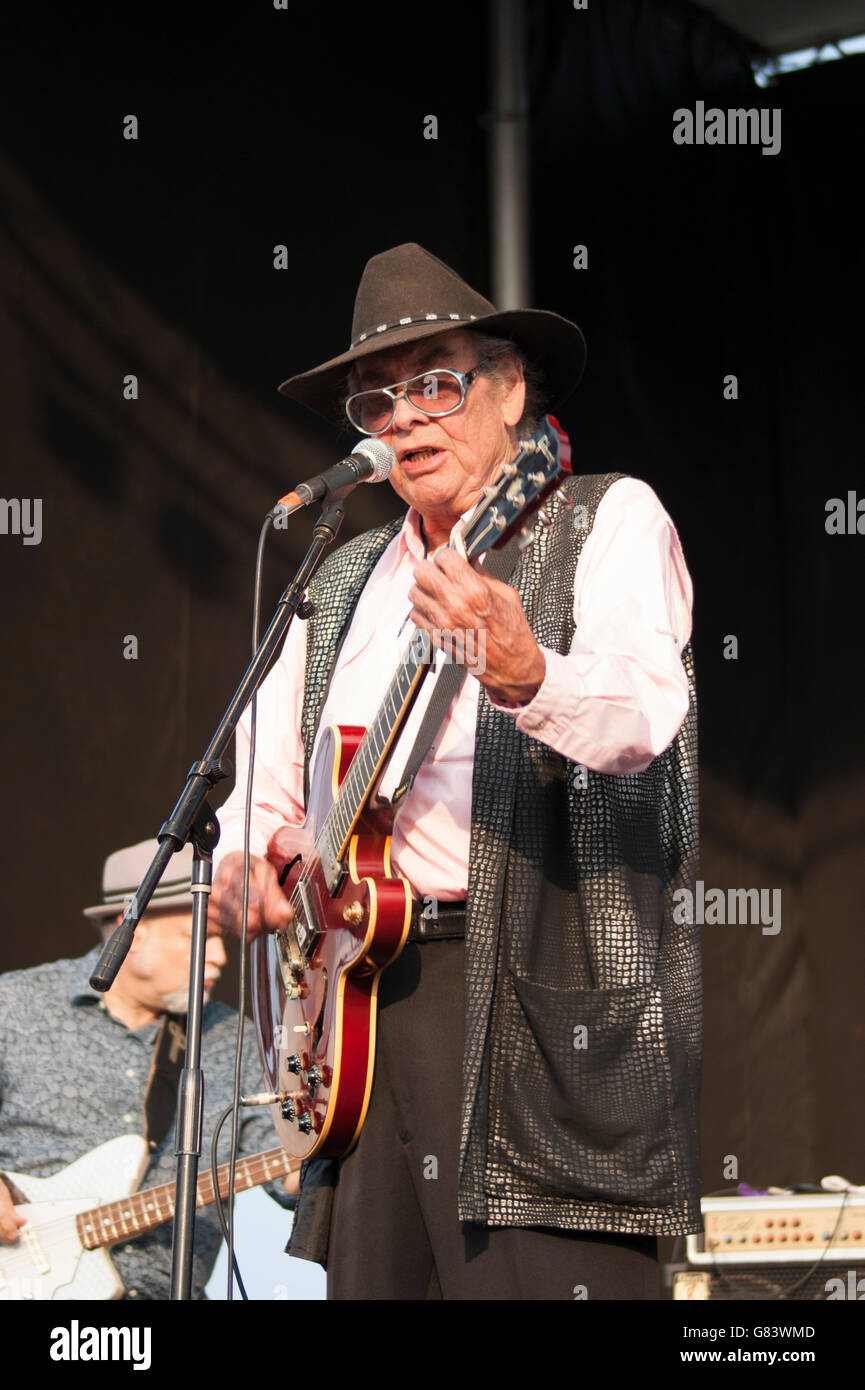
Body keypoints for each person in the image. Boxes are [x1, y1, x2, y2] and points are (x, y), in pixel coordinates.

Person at [210, 242, 702, 1300]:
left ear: (511, 388)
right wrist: (250, 852)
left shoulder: (601, 519)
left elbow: (642, 716)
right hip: (360, 1011)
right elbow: (267, 760)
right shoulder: (340, 578)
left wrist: (524, 670)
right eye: (375, 402)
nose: (404, 419)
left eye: (435, 382)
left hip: (534, 989)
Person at [0, 838, 296, 1300]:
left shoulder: (233, 1038)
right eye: (199, 937)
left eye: (221, 939)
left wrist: (334, 1144)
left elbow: (289, 1174)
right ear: (132, 934)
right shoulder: (14, 1005)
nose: (219, 956)